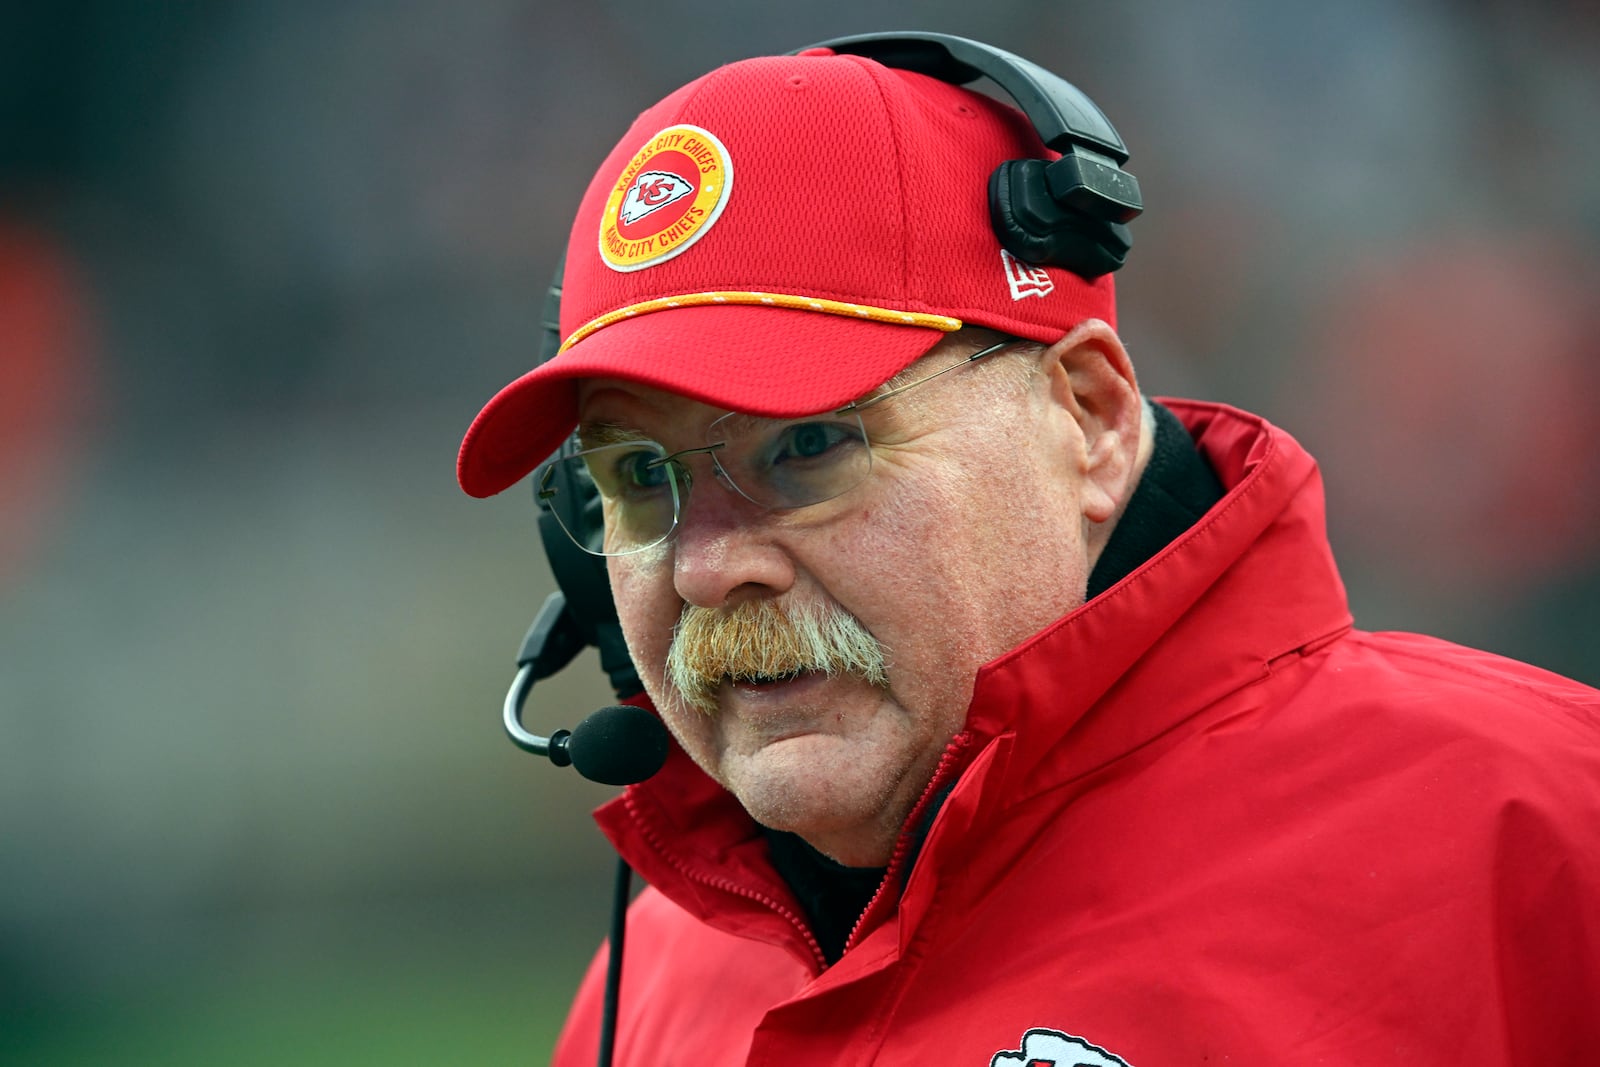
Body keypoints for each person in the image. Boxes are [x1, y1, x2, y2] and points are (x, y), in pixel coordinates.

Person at [455, 35, 1600, 1067]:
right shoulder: (651, 980)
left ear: (1089, 420)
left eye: (806, 447)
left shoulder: (1540, 834)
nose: (707, 568)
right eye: (637, 478)